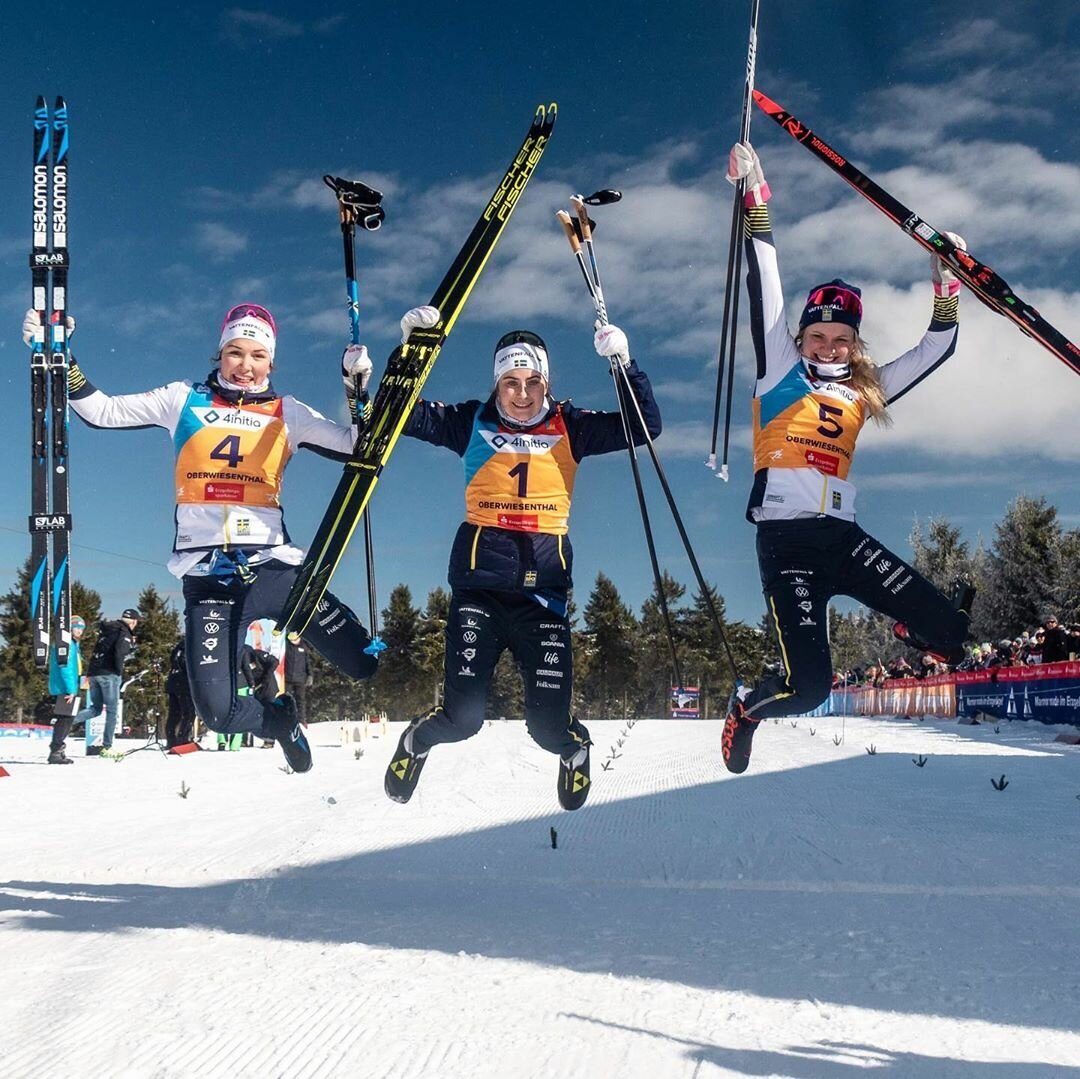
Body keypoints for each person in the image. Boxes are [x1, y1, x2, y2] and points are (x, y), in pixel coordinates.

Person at [22, 303, 380, 773]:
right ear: (220, 354)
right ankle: (281, 722)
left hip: (276, 570)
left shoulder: (289, 412)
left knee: (364, 664)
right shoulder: (182, 399)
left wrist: (357, 389)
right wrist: (60, 357)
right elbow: (102, 411)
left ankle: (298, 701)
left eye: (257, 356)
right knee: (219, 714)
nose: (245, 366)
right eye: (235, 353)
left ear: (271, 362)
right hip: (210, 578)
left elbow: (359, 446)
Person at [721, 141, 974, 774]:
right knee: (809, 689)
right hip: (788, 544)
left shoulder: (867, 389)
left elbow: (937, 347)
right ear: (800, 337)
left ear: (855, 345)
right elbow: (764, 279)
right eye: (818, 335)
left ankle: (918, 629)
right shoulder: (779, 369)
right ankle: (748, 707)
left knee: (952, 634)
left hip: (842, 538)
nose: (828, 346)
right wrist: (754, 193)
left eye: (841, 338)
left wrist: (946, 281)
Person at [377, 306, 662, 810]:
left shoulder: (572, 426)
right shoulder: (469, 421)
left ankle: (574, 750)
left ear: (547, 383)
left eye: (533, 382)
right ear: (497, 383)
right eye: (511, 382)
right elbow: (395, 414)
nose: (523, 393)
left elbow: (645, 426)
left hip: (542, 599)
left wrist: (624, 365)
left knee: (548, 728)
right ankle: (416, 742)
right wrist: (407, 353)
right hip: (479, 594)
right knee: (462, 720)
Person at [73, 608, 139, 757]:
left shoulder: (108, 629)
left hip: (94, 673)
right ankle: (107, 747)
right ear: (134, 622)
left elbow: (103, 649)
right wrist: (119, 671)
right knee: (112, 710)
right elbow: (119, 653)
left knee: (95, 709)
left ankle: (66, 721)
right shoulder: (124, 632)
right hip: (109, 674)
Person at [46, 615, 86, 764]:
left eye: (81, 629)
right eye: (77, 628)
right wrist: (71, 690)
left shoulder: (72, 644)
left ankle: (58, 749)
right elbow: (65, 668)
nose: (79, 631)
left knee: (67, 719)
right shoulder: (65, 643)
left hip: (69, 687)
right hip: (65, 688)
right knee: (64, 719)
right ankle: (56, 751)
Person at [164, 637, 196, 748]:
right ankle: (183, 739)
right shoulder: (190, 645)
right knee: (189, 712)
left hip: (174, 681)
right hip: (183, 683)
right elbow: (184, 662)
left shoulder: (180, 646)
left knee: (174, 713)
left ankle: (171, 740)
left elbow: (173, 659)